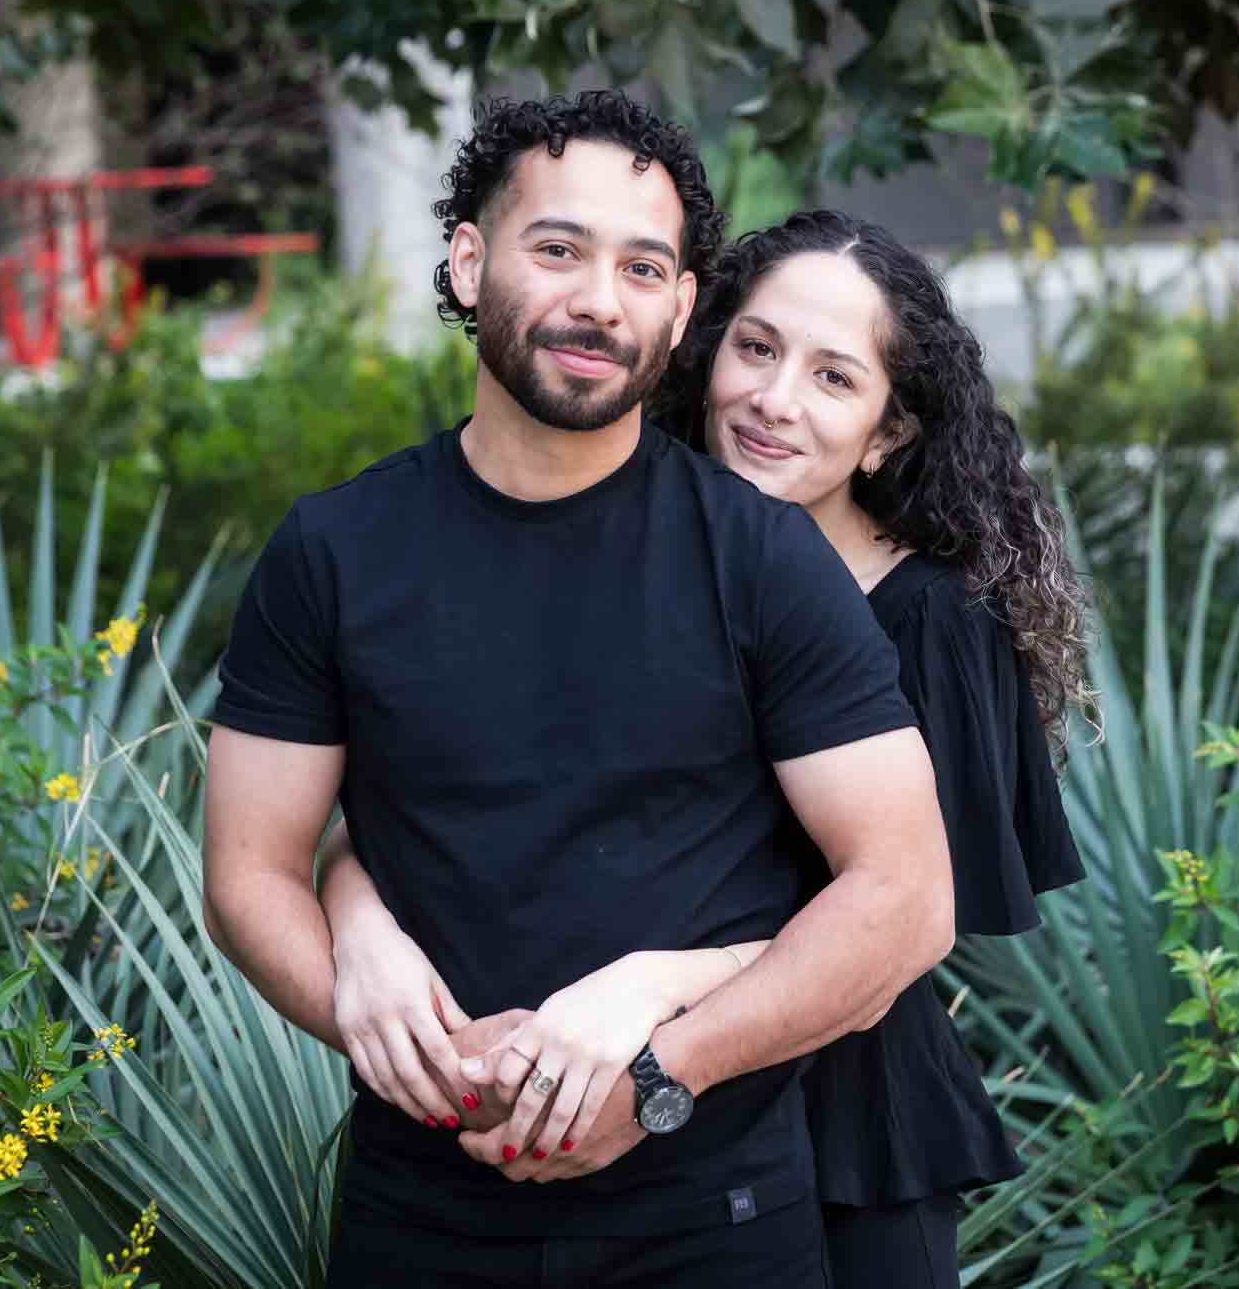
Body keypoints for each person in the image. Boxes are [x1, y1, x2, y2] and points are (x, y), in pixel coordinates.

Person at [200, 91, 956, 1289]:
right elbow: (247, 869)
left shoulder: (762, 560)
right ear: (469, 258)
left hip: (716, 1222)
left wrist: (659, 1078)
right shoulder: (334, 552)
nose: (600, 300)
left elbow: (907, 900)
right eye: (558, 248)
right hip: (420, 1220)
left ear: (681, 306)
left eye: (643, 267)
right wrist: (383, 1024)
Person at [321, 209, 1093, 1287]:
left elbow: (906, 918)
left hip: (841, 1119)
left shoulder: (929, 621)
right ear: (702, 347)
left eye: (833, 379)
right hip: (581, 1127)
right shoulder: (619, 550)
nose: (775, 403)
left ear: (885, 431)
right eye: (758, 348)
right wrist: (358, 931)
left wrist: (653, 982)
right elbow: (423, 809)